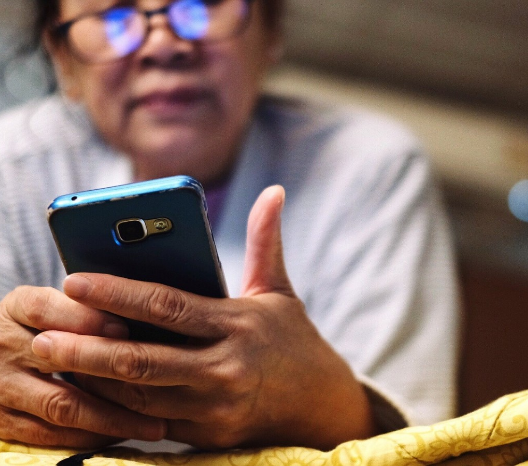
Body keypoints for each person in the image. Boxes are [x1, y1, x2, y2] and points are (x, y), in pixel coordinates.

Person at [0, 0, 460, 452]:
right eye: (114, 16)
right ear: (63, 58)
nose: (163, 45)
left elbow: (417, 440)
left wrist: (314, 402)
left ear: (271, 31)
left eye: (200, 6)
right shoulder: (11, 166)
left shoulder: (368, 167)